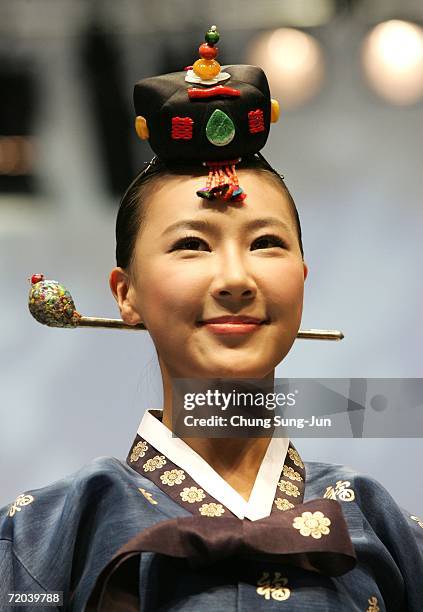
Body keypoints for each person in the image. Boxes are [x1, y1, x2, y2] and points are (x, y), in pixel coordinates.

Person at [1, 26, 423, 612]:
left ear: (302, 280)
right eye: (191, 245)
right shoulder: (45, 536)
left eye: (267, 242)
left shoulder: (382, 528)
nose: (235, 279)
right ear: (126, 294)